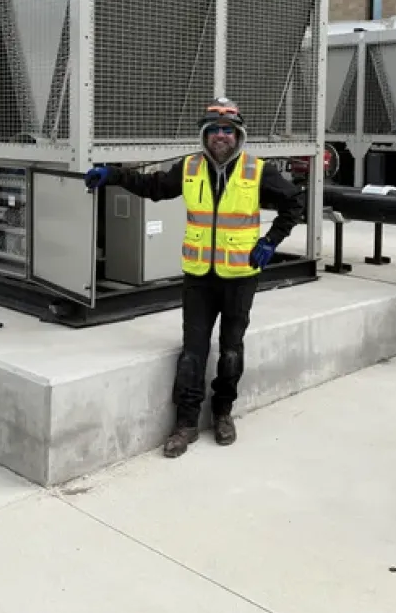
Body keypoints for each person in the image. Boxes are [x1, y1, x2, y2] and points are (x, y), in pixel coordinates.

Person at [84, 98, 305, 457]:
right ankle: (185, 424)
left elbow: (294, 203)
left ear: (238, 135)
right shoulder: (189, 168)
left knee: (231, 351)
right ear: (205, 134)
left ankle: (222, 413)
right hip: (199, 278)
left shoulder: (257, 170)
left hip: (239, 277)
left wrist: (270, 241)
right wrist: (113, 175)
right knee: (192, 353)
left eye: (228, 131)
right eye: (214, 130)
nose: (221, 136)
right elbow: (153, 186)